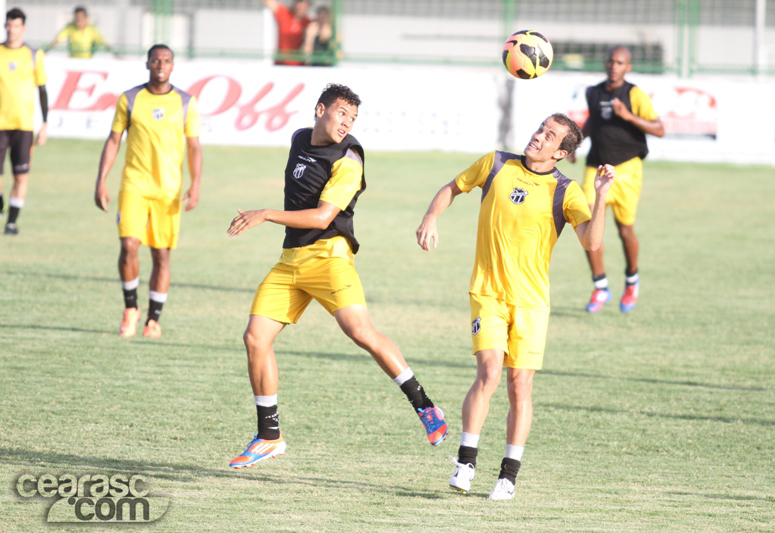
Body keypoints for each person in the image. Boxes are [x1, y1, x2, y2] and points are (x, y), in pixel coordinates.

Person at [226, 83, 448, 469]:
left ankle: (426, 406)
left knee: (360, 332)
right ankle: (269, 436)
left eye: (353, 118)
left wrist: (264, 213)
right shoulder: (299, 139)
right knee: (255, 338)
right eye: (341, 113)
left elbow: (322, 217)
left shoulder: (349, 160)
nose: (347, 123)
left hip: (330, 257)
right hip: (291, 258)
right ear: (320, 109)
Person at [416, 114, 614, 500]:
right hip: (487, 293)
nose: (539, 136)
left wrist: (602, 195)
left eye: (550, 136)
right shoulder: (495, 164)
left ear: (561, 153)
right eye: (540, 128)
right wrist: (431, 215)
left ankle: (508, 475)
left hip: (531, 303)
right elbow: (453, 187)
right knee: (489, 372)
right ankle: (466, 462)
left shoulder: (566, 190)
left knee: (519, 385)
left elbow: (591, 242)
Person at [94, 44, 202, 339]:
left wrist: (196, 184)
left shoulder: (185, 102)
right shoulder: (129, 99)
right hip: (134, 186)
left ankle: (153, 319)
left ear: (173, 65)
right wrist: (101, 180)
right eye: (155, 60)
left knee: (161, 255)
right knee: (129, 245)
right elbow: (114, 141)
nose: (160, 65)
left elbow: (193, 146)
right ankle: (131, 308)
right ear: (147, 64)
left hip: (168, 191)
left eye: (166, 60)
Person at [574, 46, 664, 313]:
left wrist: (627, 116)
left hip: (627, 169)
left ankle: (631, 281)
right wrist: (576, 143)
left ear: (628, 67)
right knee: (588, 227)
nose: (614, 66)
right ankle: (600, 286)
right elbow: (592, 121)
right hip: (596, 168)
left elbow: (659, 129)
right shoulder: (594, 92)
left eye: (620, 62)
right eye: (611, 61)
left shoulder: (634, 95)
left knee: (625, 231)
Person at [0, 8, 48, 235]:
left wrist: (45, 124)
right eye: (8, 25)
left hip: (24, 126)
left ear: (23, 28)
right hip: (0, 124)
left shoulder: (33, 55)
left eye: (16, 25)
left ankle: (11, 223)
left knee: (21, 176)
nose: (11, 29)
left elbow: (42, 90)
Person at [45, 6, 115, 59]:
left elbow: (104, 44)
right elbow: (57, 40)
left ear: (86, 19)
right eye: (77, 18)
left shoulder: (92, 29)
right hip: (73, 60)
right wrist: (45, 52)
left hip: (87, 62)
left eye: (81, 18)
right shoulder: (70, 27)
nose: (78, 20)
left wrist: (116, 55)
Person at [261, 0, 310, 66]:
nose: (300, 6)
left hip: (299, 67)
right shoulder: (284, 14)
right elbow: (268, 2)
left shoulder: (309, 23)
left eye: (303, 4)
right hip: (281, 64)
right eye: (298, 3)